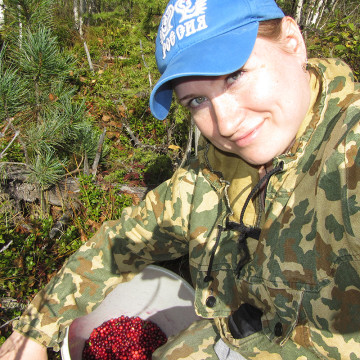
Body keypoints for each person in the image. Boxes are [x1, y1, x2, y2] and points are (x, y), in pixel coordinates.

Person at [1, 0, 360, 358]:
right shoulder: (214, 169)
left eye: (235, 75)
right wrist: (36, 328)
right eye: (197, 100)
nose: (226, 123)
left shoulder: (346, 152)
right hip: (233, 334)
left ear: (293, 40)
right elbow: (122, 243)